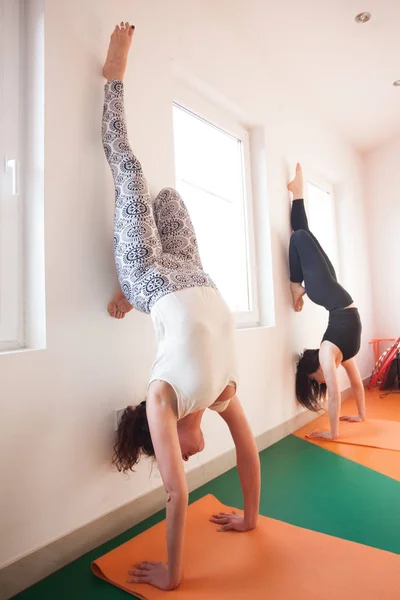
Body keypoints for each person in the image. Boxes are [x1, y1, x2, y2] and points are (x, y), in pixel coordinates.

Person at [102, 22, 261, 591]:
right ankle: (129, 299)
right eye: (187, 458)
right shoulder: (221, 394)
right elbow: (249, 450)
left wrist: (174, 574)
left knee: (134, 174)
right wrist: (250, 517)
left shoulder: (160, 404)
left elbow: (175, 494)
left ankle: (112, 82)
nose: (191, 458)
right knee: (171, 198)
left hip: (150, 278)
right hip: (194, 274)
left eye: (181, 456)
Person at [288, 164, 366, 440]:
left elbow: (335, 394)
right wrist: (361, 415)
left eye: (314, 381)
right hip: (335, 297)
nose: (319, 383)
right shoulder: (340, 353)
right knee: (305, 236)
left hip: (326, 295)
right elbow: (356, 384)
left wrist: (333, 434)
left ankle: (295, 286)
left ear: (315, 369)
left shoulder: (326, 352)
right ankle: (298, 194)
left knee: (299, 237)